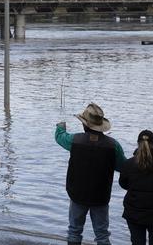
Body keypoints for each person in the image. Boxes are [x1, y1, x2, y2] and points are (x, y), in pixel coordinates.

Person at [55, 102, 126, 245]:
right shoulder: (113, 145)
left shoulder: (74, 140)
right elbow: (122, 167)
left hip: (77, 194)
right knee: (102, 235)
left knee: (74, 231)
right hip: (101, 196)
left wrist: (60, 127)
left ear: (84, 125)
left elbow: (60, 137)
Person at [119, 130, 153, 245]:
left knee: (137, 242)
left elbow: (123, 184)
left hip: (134, 211)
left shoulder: (129, 164)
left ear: (138, 144)